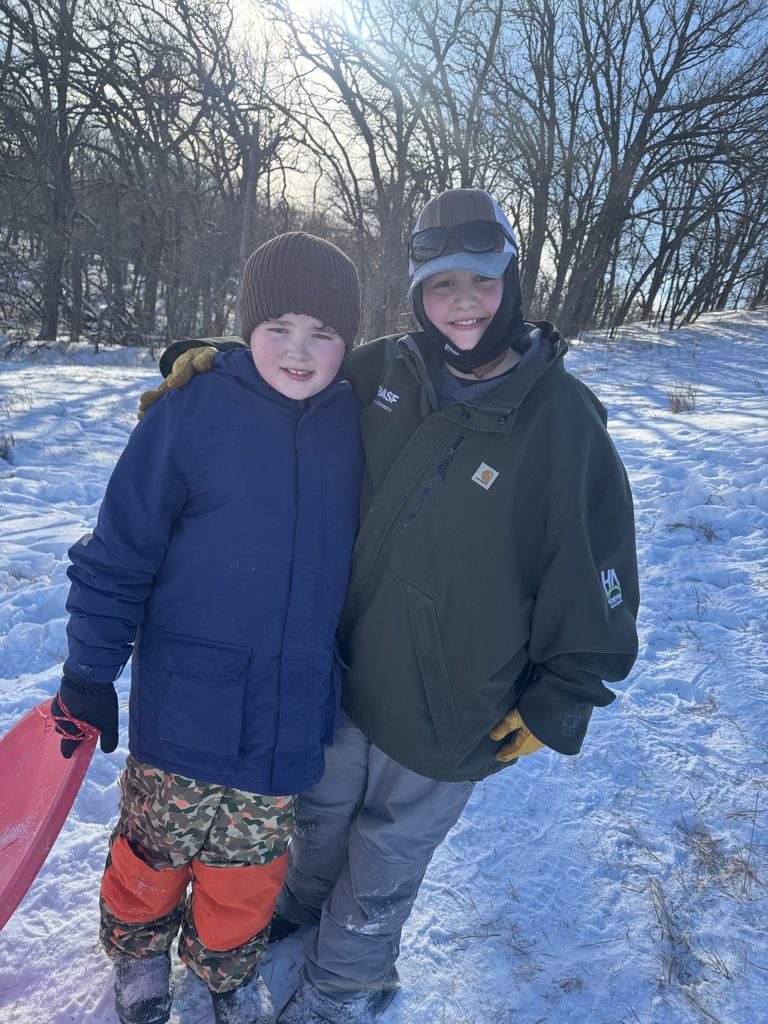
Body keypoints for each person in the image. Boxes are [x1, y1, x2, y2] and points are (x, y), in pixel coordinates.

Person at [139, 188, 640, 1024]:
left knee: (387, 857)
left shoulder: (564, 422)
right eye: (442, 286)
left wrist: (561, 697)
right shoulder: (384, 372)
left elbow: (600, 575)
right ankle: (299, 911)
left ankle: (344, 983)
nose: (464, 305)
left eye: (481, 282)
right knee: (323, 818)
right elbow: (293, 373)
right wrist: (214, 366)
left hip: (454, 704)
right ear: (418, 294)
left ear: (513, 278)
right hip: (346, 671)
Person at [52, 232, 365, 1024]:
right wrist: (89, 670)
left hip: (290, 709)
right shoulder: (190, 413)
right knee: (155, 850)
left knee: (250, 866)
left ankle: (227, 973)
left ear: (349, 343)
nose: (300, 351)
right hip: (187, 704)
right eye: (279, 328)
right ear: (245, 327)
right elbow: (118, 551)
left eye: (324, 333)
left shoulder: (354, 425)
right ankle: (138, 959)